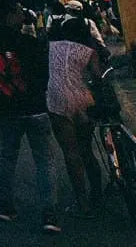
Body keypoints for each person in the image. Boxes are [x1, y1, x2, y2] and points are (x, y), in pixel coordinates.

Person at [0, 0, 59, 233]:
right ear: (10, 14)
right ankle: (50, 213)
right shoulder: (29, 43)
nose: (21, 14)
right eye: (17, 10)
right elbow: (44, 76)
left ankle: (5, 206)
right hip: (34, 107)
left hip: (7, 109)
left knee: (7, 156)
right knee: (45, 159)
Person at [47, 16, 103, 218]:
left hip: (57, 100)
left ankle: (83, 202)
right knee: (86, 149)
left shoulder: (51, 47)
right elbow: (97, 76)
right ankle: (97, 190)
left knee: (71, 154)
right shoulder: (89, 52)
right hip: (82, 98)